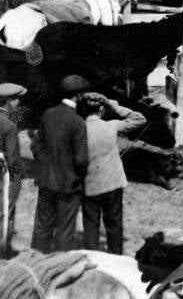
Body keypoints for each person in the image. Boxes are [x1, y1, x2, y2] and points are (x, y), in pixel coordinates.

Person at [76, 91, 145, 254]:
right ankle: (116, 257)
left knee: (91, 225)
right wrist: (115, 105)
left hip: (90, 184)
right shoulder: (110, 126)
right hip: (113, 183)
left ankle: (93, 258)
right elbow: (139, 119)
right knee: (114, 224)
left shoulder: (79, 130)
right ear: (102, 110)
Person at [32, 74, 89, 253]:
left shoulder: (48, 114)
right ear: (78, 96)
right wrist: (78, 174)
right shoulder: (78, 122)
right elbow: (81, 160)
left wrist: (46, 164)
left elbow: (36, 145)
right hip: (68, 186)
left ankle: (35, 266)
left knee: (42, 228)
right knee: (64, 232)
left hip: (46, 182)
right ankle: (58, 268)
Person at [0, 83, 23, 256]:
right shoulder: (9, 126)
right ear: (9, 102)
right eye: (16, 99)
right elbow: (12, 158)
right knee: (5, 212)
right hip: (4, 176)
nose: (19, 103)